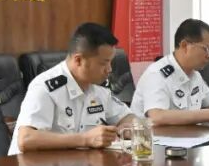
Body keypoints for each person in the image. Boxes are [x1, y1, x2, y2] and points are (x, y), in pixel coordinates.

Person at [9, 22, 138, 154]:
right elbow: (26, 139)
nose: (109, 69)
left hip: (75, 164)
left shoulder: (97, 88)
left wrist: (128, 128)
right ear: (78, 60)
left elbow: (127, 116)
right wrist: (85, 139)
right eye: (103, 63)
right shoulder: (46, 87)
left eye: (111, 62)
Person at [131, 19, 209, 126]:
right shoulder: (157, 74)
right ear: (184, 46)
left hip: (186, 135)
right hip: (153, 137)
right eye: (206, 49)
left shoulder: (195, 75)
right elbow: (157, 116)